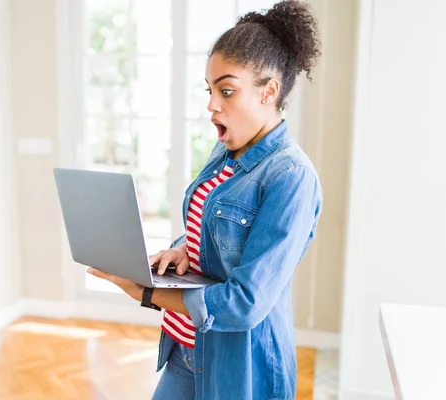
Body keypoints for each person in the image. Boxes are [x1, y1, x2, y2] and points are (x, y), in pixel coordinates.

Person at [86, 1, 322, 398]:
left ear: (269, 92)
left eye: (226, 91)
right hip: (187, 349)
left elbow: (246, 302)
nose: (212, 104)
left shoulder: (291, 178)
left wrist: (145, 292)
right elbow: (213, 231)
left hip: (239, 366)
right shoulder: (226, 151)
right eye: (210, 90)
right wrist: (183, 250)